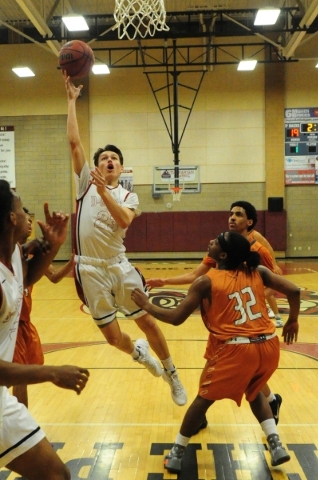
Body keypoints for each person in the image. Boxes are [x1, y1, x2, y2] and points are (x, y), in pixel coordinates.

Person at [63, 72, 186, 406]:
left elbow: (122, 221)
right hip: (89, 270)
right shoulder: (84, 184)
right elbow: (75, 143)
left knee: (146, 319)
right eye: (103, 158)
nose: (108, 161)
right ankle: (138, 353)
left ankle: (172, 372)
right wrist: (72, 101)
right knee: (113, 337)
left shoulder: (128, 196)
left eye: (114, 159)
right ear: (97, 165)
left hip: (119, 266)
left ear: (121, 169)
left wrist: (105, 194)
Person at [132, 231, 300, 473]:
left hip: (238, 349)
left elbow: (177, 318)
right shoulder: (258, 272)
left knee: (203, 399)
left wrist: (147, 305)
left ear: (222, 254)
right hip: (269, 346)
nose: (210, 241)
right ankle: (276, 445)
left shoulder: (206, 282)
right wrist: (293, 321)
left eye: (216, 241)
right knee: (254, 391)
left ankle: (177, 452)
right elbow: (294, 291)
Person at [147, 200, 283, 425]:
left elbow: (276, 281)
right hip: (223, 321)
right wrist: (164, 280)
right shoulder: (223, 245)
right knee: (216, 363)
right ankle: (268, 400)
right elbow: (195, 275)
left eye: (238, 215)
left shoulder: (259, 248)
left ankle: (264, 402)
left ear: (249, 221)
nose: (232, 218)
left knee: (242, 371)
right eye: (230, 213)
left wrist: (254, 295)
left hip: (247, 323)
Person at [0, 179, 89, 479]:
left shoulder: (12, 251)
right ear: (12, 218)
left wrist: (54, 243)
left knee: (57, 476)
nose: (28, 214)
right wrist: (52, 373)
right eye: (20, 207)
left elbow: (23, 281)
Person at [12, 208, 75, 407]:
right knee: (17, 378)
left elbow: (54, 277)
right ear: (12, 220)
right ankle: (19, 426)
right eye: (26, 219)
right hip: (11, 322)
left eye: (32, 220)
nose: (30, 223)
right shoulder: (10, 251)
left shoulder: (31, 254)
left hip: (24, 323)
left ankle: (18, 424)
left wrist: (71, 263)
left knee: (20, 378)